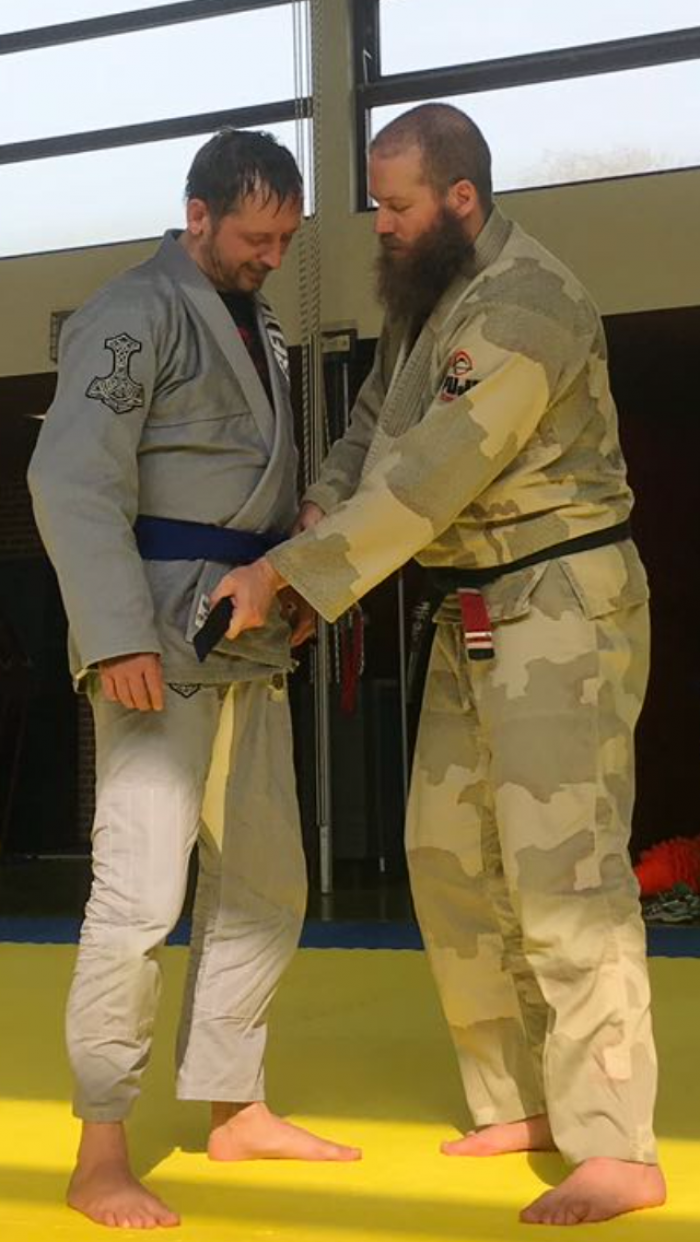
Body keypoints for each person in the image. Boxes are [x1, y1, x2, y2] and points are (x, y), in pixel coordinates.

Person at [208, 104, 667, 1227]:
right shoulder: (429, 297)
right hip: (471, 611)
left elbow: (433, 476)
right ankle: (526, 1100)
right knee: (449, 857)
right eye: (378, 204)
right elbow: (376, 426)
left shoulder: (524, 303)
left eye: (397, 205)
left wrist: (291, 578)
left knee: (565, 877)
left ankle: (617, 1146)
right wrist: (317, 512)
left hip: (559, 602)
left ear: (461, 198)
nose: (381, 224)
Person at [28, 128, 360, 1232]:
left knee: (266, 884)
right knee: (137, 898)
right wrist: (114, 634)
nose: (271, 256)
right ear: (199, 215)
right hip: (155, 644)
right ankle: (100, 1152)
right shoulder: (134, 311)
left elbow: (249, 483)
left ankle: (235, 1104)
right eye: (256, 237)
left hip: (246, 635)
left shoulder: (258, 320)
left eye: (285, 240)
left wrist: (295, 577)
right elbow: (71, 481)